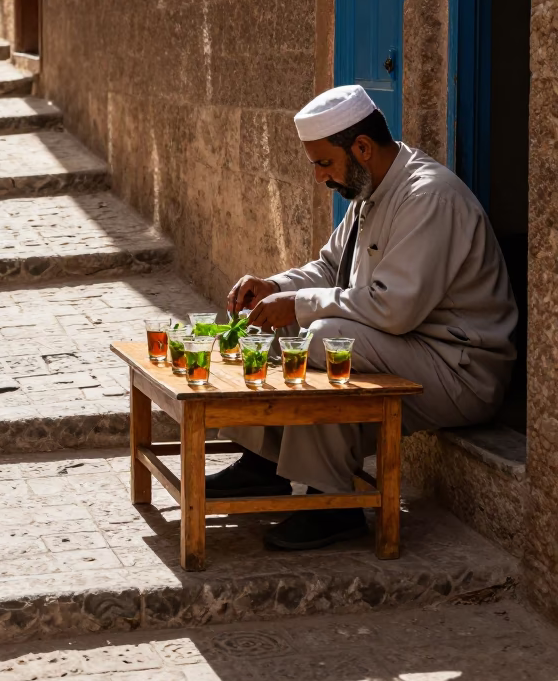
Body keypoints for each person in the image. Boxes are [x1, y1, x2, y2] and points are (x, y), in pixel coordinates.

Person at [208, 84, 518, 550]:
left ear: (362, 148)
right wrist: (275, 287)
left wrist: (299, 304)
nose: (319, 178)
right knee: (274, 321)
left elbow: (393, 309)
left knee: (326, 336)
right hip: (409, 345)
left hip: (460, 368)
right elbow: (331, 268)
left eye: (323, 163)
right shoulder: (370, 191)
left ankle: (334, 500)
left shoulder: (428, 197)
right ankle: (262, 463)